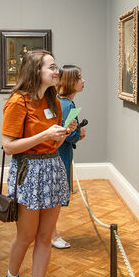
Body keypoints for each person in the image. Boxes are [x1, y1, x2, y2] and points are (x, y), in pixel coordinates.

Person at [2, 50, 77, 277]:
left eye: (56, 67)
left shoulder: (53, 100)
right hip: (29, 173)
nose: (57, 72)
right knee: (26, 236)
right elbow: (8, 146)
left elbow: (52, 141)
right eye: (52, 67)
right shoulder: (17, 102)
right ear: (36, 71)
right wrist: (45, 133)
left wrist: (61, 134)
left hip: (53, 167)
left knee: (45, 237)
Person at [51, 65, 86, 249]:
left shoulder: (61, 101)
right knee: (57, 195)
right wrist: (79, 133)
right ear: (70, 82)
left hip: (59, 152)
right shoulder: (67, 104)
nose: (83, 81)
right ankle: (52, 235)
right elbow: (67, 133)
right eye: (79, 78)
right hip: (60, 153)